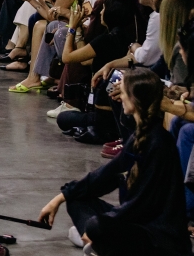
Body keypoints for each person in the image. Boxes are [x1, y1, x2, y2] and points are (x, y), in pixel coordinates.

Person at [38, 68, 190, 256]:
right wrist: (60, 198)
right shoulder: (139, 137)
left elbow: (142, 206)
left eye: (123, 92)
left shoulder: (159, 143)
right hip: (137, 224)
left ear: (134, 99)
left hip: (160, 239)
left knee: (96, 225)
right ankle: (97, 244)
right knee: (75, 198)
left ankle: (96, 242)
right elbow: (105, 176)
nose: (120, 97)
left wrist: (102, 225)